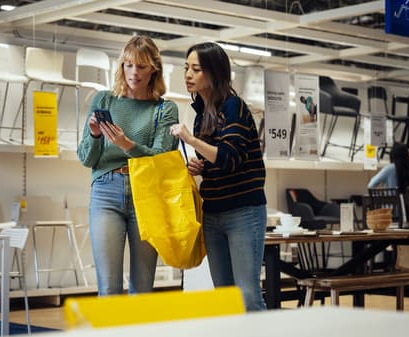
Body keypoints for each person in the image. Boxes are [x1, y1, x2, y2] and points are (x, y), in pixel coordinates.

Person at [77, 36, 179, 296]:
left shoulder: (164, 109)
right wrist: (96, 135)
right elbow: (87, 159)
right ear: (121, 66)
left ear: (154, 69)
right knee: (108, 286)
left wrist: (126, 144)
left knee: (142, 288)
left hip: (147, 195)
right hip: (105, 192)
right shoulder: (104, 100)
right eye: (129, 65)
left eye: (142, 66)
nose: (134, 72)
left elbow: (161, 157)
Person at [169, 42, 267, 311]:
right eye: (186, 67)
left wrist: (191, 140)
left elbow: (231, 157)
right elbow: (217, 162)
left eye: (196, 69)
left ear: (214, 72)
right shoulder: (202, 115)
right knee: (225, 297)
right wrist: (201, 166)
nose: (188, 74)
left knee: (247, 295)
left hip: (243, 212)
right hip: (212, 214)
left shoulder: (234, 107)